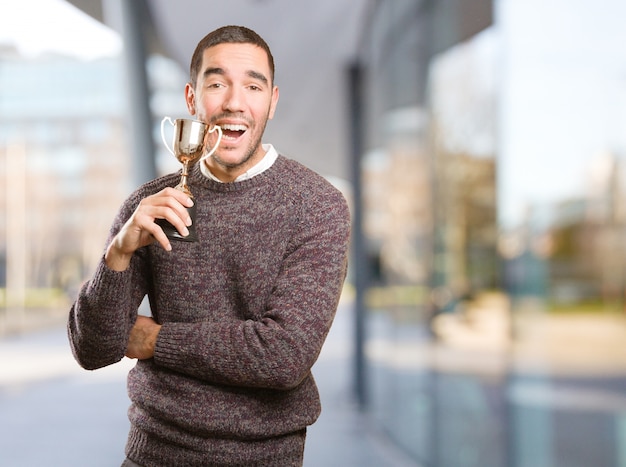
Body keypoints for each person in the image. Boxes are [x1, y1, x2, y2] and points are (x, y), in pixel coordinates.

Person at [67, 25, 351, 467]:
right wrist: (117, 254)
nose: (234, 101)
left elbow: (283, 356)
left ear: (272, 101)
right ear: (192, 99)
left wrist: (155, 339)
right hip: (151, 456)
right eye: (217, 84)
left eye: (252, 86)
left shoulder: (317, 206)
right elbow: (93, 349)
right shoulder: (151, 204)